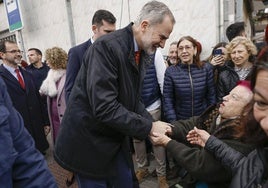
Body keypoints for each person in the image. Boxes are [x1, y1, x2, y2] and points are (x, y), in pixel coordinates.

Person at [54, 1, 175, 188]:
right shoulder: (107, 47)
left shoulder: (141, 51)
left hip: (112, 140)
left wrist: (151, 123)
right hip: (89, 145)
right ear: (144, 26)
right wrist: (149, 127)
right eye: (162, 36)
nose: (163, 44)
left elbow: (132, 99)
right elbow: (105, 106)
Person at [150, 81, 256, 187]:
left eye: (234, 97)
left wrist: (168, 142)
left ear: (247, 110)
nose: (225, 97)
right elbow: (195, 123)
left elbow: (200, 164)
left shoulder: (243, 136)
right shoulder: (216, 113)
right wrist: (171, 128)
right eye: (229, 93)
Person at [186, 51, 268, 188]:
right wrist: (212, 142)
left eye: (240, 51)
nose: (264, 124)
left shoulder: (246, 135)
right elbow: (244, 166)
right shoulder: (260, 152)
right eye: (261, 103)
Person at [0, 76, 57, 187]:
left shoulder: (26, 75)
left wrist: (45, 121)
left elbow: (26, 158)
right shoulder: (3, 75)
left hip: (34, 125)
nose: (19, 56)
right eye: (29, 56)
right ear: (2, 57)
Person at [0, 40, 49, 154]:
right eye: (13, 51)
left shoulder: (28, 73)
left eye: (18, 51)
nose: (18, 54)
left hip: (37, 131)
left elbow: (37, 99)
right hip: (17, 133)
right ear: (2, 55)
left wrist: (45, 122)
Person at [133, 49, 168, 188]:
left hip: (153, 104)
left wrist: (165, 105)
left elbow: (162, 80)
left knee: (157, 141)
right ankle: (142, 168)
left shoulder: (156, 53)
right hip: (135, 107)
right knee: (137, 139)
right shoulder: (126, 52)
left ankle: (161, 175)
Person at [39, 47, 74, 187]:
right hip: (54, 119)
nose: (46, 62)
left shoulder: (68, 75)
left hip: (66, 119)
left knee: (71, 146)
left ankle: (72, 171)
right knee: (62, 146)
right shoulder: (50, 75)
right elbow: (43, 92)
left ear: (55, 59)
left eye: (48, 59)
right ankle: (69, 167)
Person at [64, 9, 116, 102]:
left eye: (114, 32)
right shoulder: (77, 53)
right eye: (107, 32)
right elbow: (70, 91)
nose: (112, 36)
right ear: (94, 29)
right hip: (89, 113)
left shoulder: (116, 51)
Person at [163, 36, 216, 123]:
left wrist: (209, 118)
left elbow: (211, 97)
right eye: (180, 48)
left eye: (188, 47)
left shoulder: (206, 68)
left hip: (202, 119)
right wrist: (174, 123)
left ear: (195, 50)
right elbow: (168, 100)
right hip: (180, 121)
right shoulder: (171, 71)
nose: (184, 51)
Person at [216, 36, 257, 101]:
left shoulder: (258, 71)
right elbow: (221, 100)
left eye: (240, 52)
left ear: (249, 52)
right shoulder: (224, 75)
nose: (236, 56)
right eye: (233, 52)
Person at [26, 48, 50, 131]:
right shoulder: (26, 71)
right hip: (38, 106)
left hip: (51, 101)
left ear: (39, 56)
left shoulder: (49, 68)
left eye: (32, 55)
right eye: (28, 55)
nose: (29, 57)